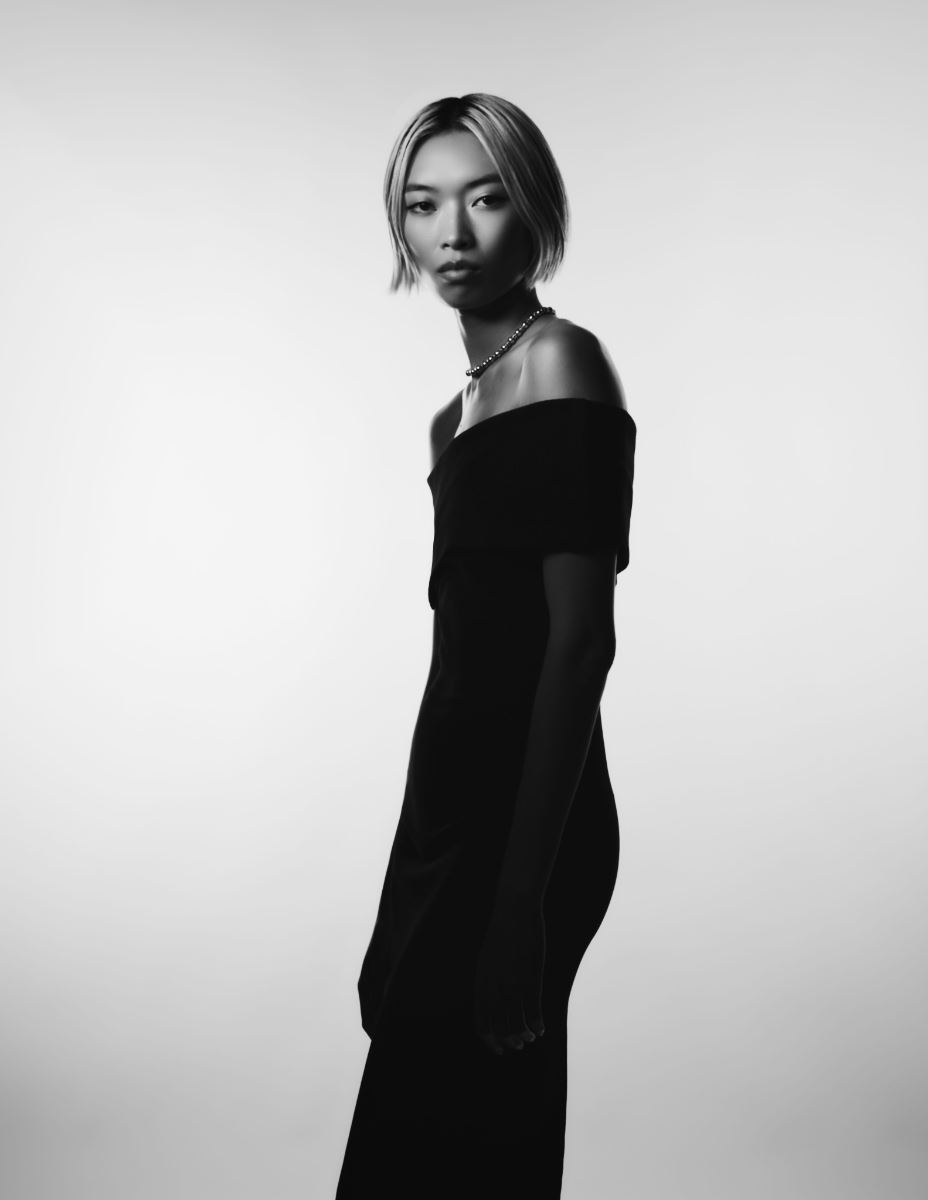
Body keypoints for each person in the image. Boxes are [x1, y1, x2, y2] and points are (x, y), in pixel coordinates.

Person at [334, 93, 637, 1200]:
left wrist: (521, 907)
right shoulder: (446, 422)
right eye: (423, 206)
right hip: (450, 815)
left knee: (482, 1141)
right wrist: (402, 887)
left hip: (534, 823)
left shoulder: (566, 364)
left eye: (484, 198)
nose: (451, 234)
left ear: (534, 210)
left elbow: (579, 649)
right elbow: (456, 670)